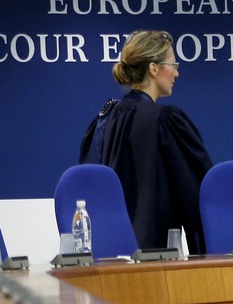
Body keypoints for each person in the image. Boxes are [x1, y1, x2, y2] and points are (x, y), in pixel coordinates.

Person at [80, 29, 213, 254]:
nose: (177, 73)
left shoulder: (104, 118)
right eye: (173, 64)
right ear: (154, 68)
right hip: (154, 255)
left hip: (106, 253)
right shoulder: (165, 120)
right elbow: (199, 192)